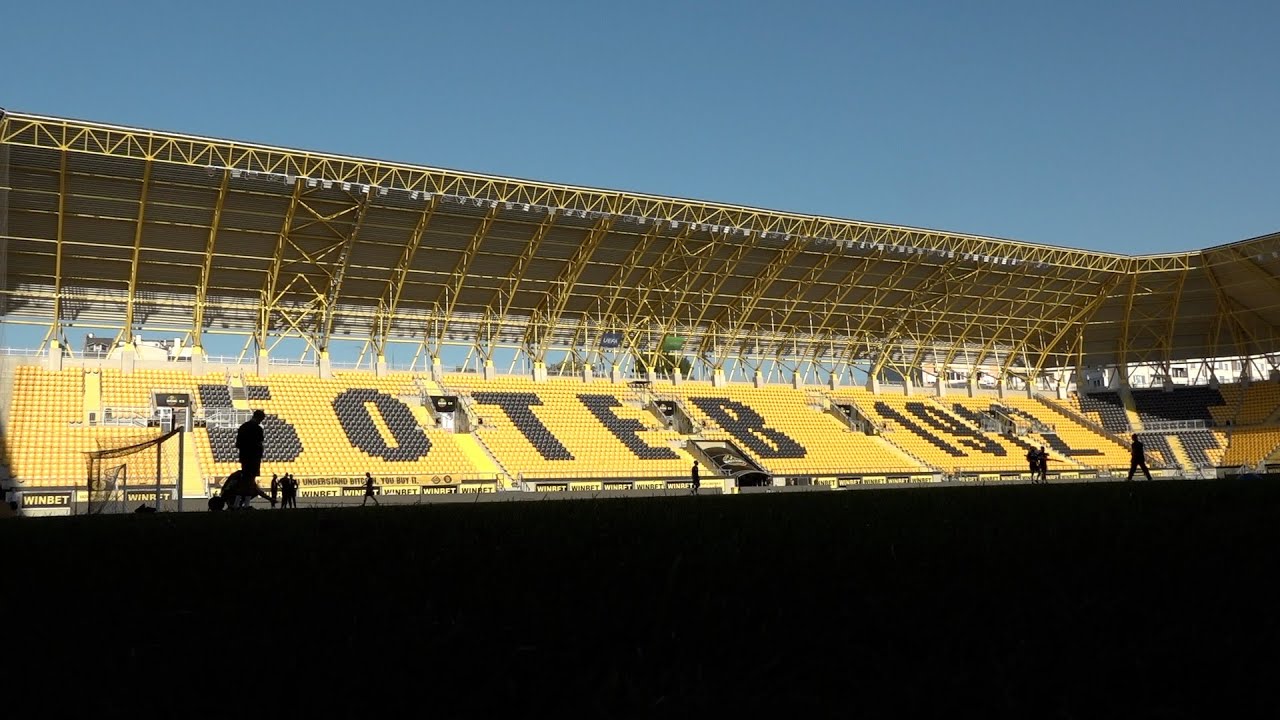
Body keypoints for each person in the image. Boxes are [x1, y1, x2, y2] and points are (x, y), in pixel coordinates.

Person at [236, 410, 267, 485]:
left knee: (246, 477)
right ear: (259, 418)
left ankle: (244, 493)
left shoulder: (243, 427)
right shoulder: (258, 429)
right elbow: (259, 442)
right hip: (254, 457)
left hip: (244, 457)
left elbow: (238, 444)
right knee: (251, 478)